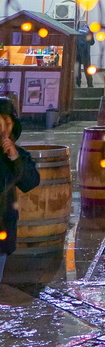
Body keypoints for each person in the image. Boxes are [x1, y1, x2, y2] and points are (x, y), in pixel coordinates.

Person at [0, 98, 40, 280]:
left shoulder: (18, 155)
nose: (3, 128)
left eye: (7, 122)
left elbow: (30, 181)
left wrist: (14, 157)